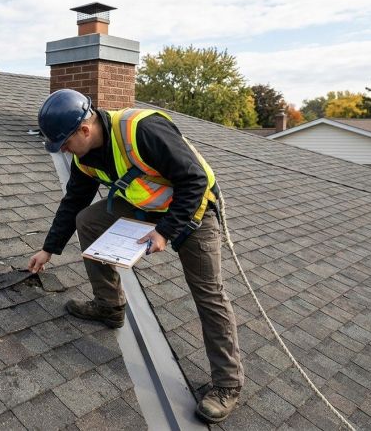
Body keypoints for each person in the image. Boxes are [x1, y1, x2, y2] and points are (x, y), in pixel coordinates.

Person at [27, 89, 244, 424]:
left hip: (193, 210)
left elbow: (195, 180)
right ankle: (110, 306)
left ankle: (227, 385)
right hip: (148, 205)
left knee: (209, 294)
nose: (65, 151)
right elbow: (74, 202)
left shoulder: (141, 130)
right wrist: (49, 248)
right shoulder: (86, 157)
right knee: (88, 220)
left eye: (65, 144)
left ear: (84, 130)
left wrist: (165, 231)